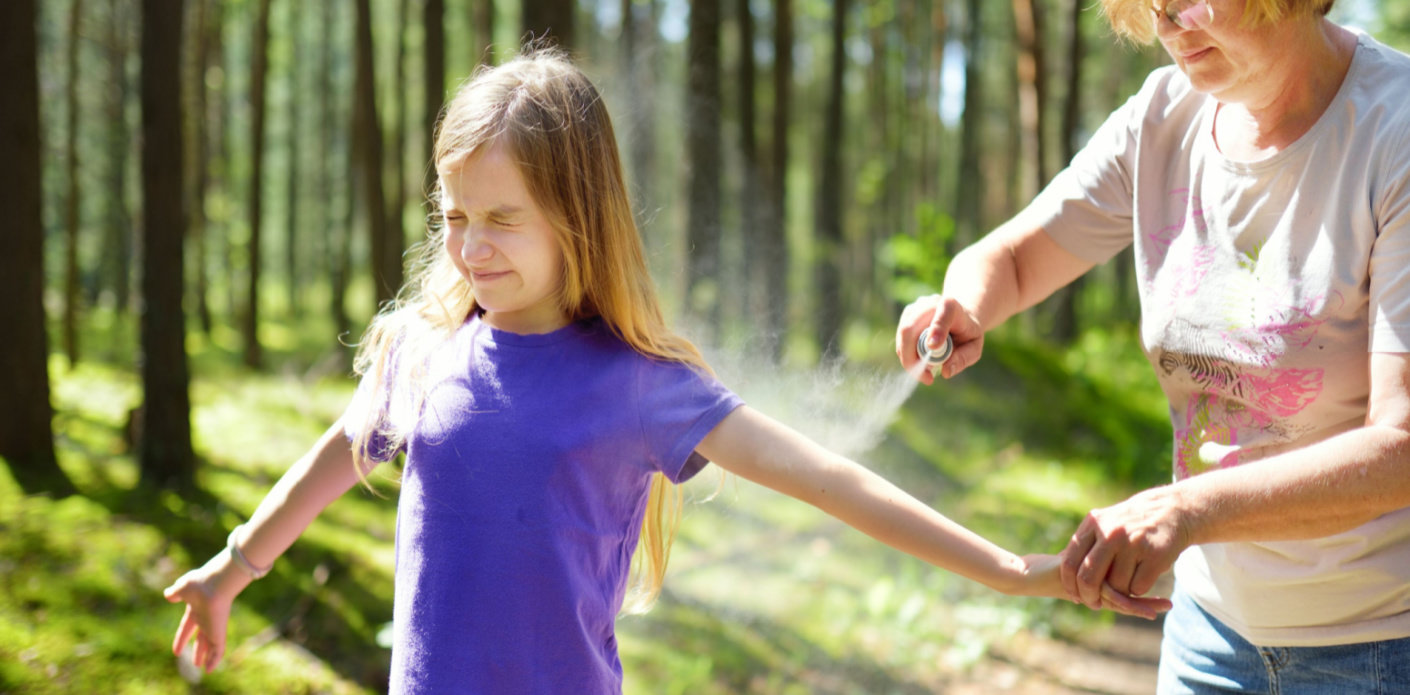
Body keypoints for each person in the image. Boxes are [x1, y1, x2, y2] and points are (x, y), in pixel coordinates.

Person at [162, 49, 1166, 694]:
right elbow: (344, 447)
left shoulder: (639, 385)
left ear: (577, 215)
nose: (470, 247)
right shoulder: (422, 353)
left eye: (502, 219)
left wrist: (1011, 567)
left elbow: (830, 479)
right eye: (455, 217)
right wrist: (233, 566)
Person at [897, 0, 1410, 691]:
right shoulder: (1164, 115)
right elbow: (1016, 258)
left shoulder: (1394, 131)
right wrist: (961, 301)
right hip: (1209, 633)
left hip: (1378, 645)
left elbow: (1399, 447)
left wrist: (1189, 510)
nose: (1167, 22)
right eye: (1152, 5)